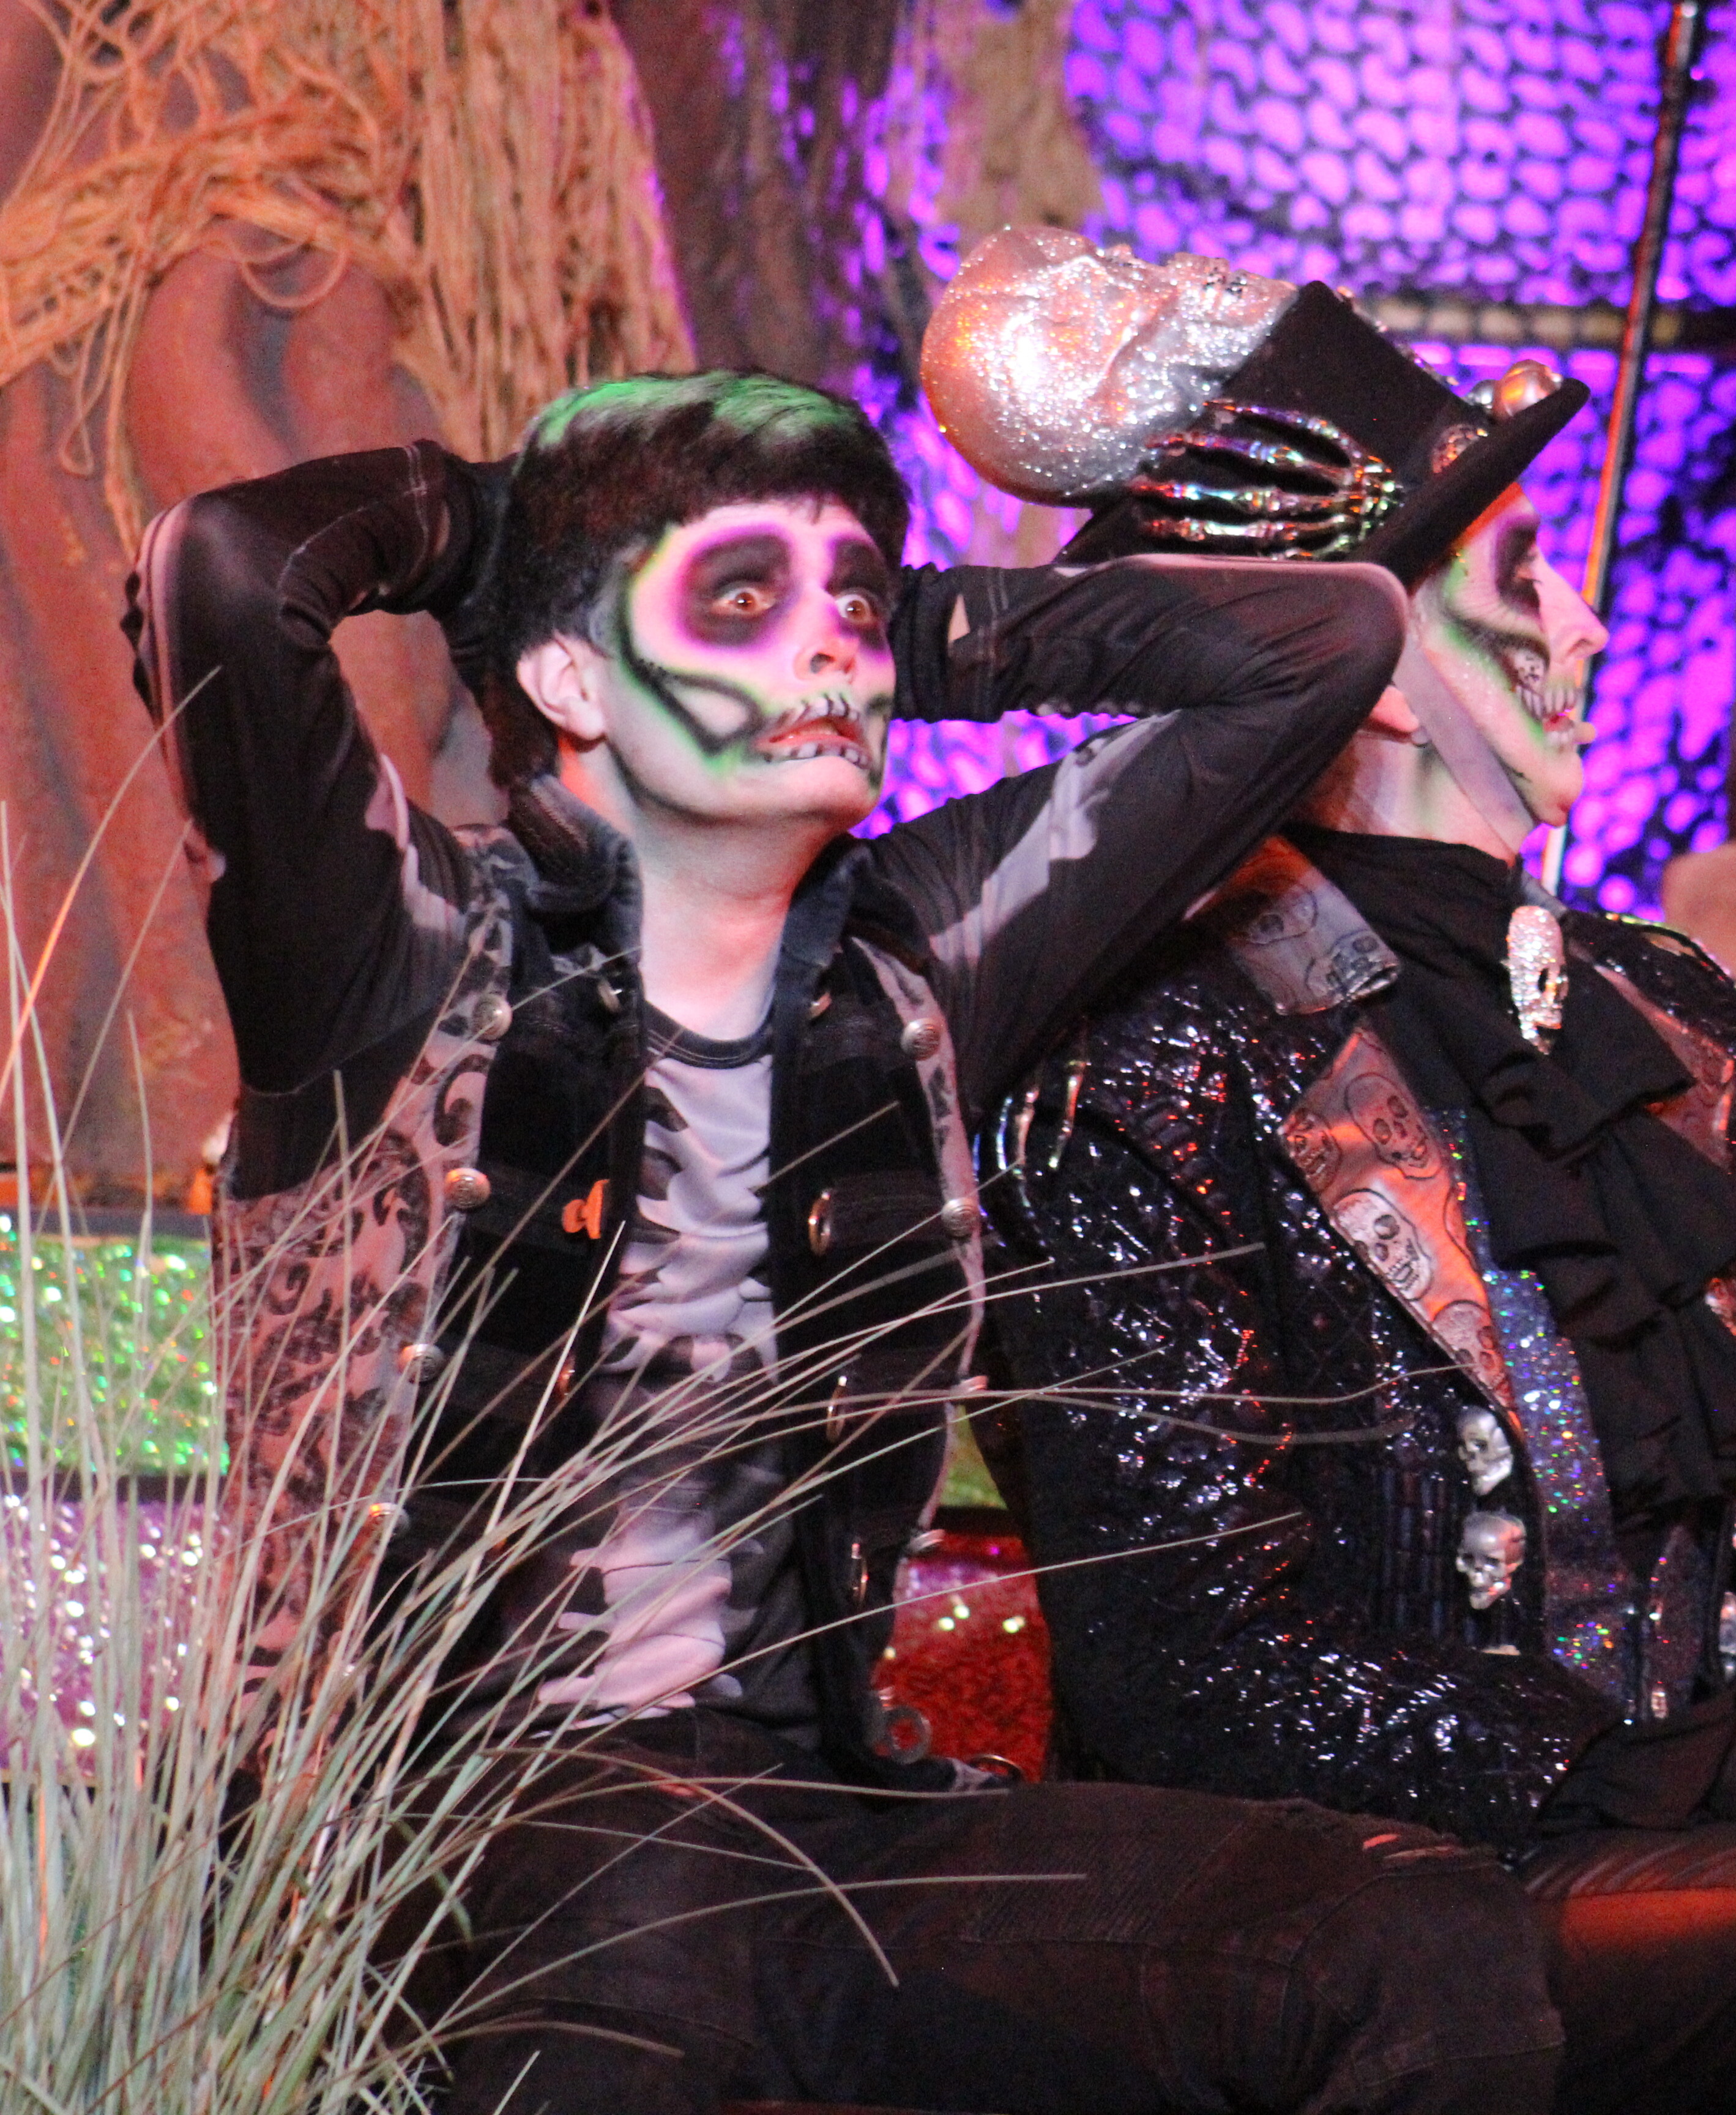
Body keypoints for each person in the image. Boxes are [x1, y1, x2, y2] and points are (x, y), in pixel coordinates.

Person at [124, 368, 1565, 2115]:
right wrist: (501, 532)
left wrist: (924, 632)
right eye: (741, 597)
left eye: (857, 605)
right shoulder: (397, 947)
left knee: (1405, 1939)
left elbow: (1326, 638)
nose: (829, 644)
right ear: (570, 679)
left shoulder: (921, 967)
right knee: (646, 1915)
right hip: (447, 1830)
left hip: (815, 1822)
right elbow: (223, 564)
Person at [931, 230, 1736, 2115]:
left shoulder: (1657, 1014)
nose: (1593, 625)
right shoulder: (1153, 1041)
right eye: (1530, 576)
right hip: (1347, 1876)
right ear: (1369, 665)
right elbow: (1188, 1662)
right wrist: (1632, 1772)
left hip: (1667, 1825)